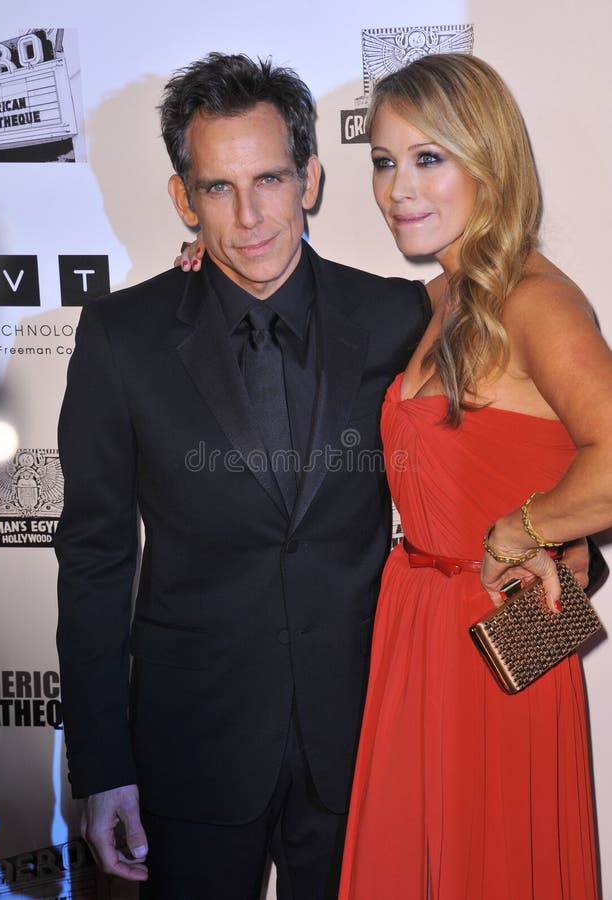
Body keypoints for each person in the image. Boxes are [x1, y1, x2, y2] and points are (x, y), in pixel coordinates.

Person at [54, 52, 433, 899]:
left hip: (366, 744)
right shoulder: (125, 338)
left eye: (269, 178)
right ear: (183, 199)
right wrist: (101, 769)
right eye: (219, 188)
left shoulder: (398, 317)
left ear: (311, 175)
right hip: (191, 752)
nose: (251, 215)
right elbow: (94, 560)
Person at [336, 52, 612, 900]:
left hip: (494, 638)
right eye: (383, 161)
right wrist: (218, 263)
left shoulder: (535, 298)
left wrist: (522, 529)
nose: (396, 189)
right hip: (415, 625)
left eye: (428, 158)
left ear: (488, 160)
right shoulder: (439, 300)